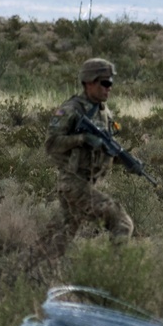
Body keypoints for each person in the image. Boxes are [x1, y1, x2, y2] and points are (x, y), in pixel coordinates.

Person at [43, 58, 134, 257]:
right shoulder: (70, 110)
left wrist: (125, 160)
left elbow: (104, 146)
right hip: (73, 183)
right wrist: (82, 139)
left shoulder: (104, 112)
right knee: (122, 223)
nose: (109, 88)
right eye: (105, 83)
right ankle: (116, 275)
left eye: (111, 83)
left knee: (59, 239)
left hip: (86, 183)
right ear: (89, 82)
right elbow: (51, 144)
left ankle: (25, 273)